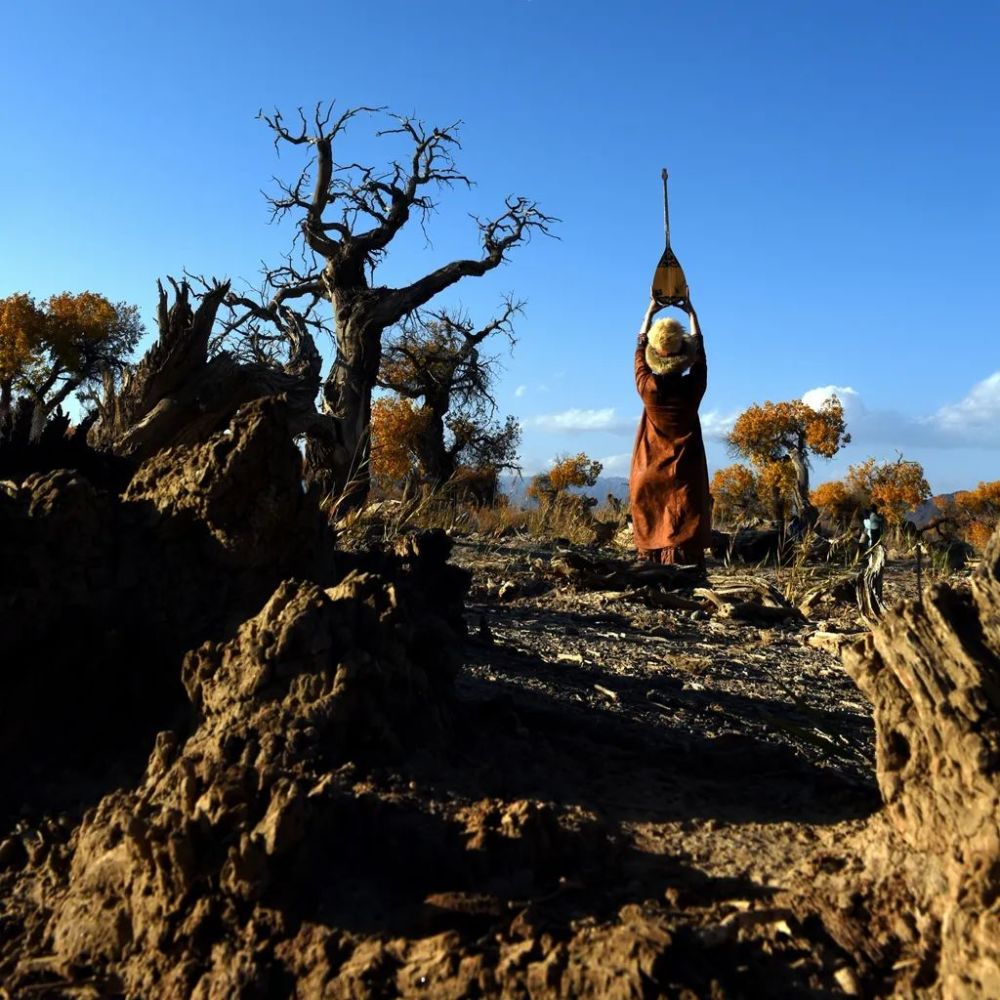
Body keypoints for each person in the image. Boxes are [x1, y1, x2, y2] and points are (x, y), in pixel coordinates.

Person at [629, 296, 711, 569]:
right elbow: (701, 358)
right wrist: (691, 314)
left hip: (648, 470)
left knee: (651, 526)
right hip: (684, 471)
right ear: (683, 356)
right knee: (682, 526)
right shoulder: (693, 389)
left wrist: (650, 310)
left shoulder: (648, 388)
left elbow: (639, 350)